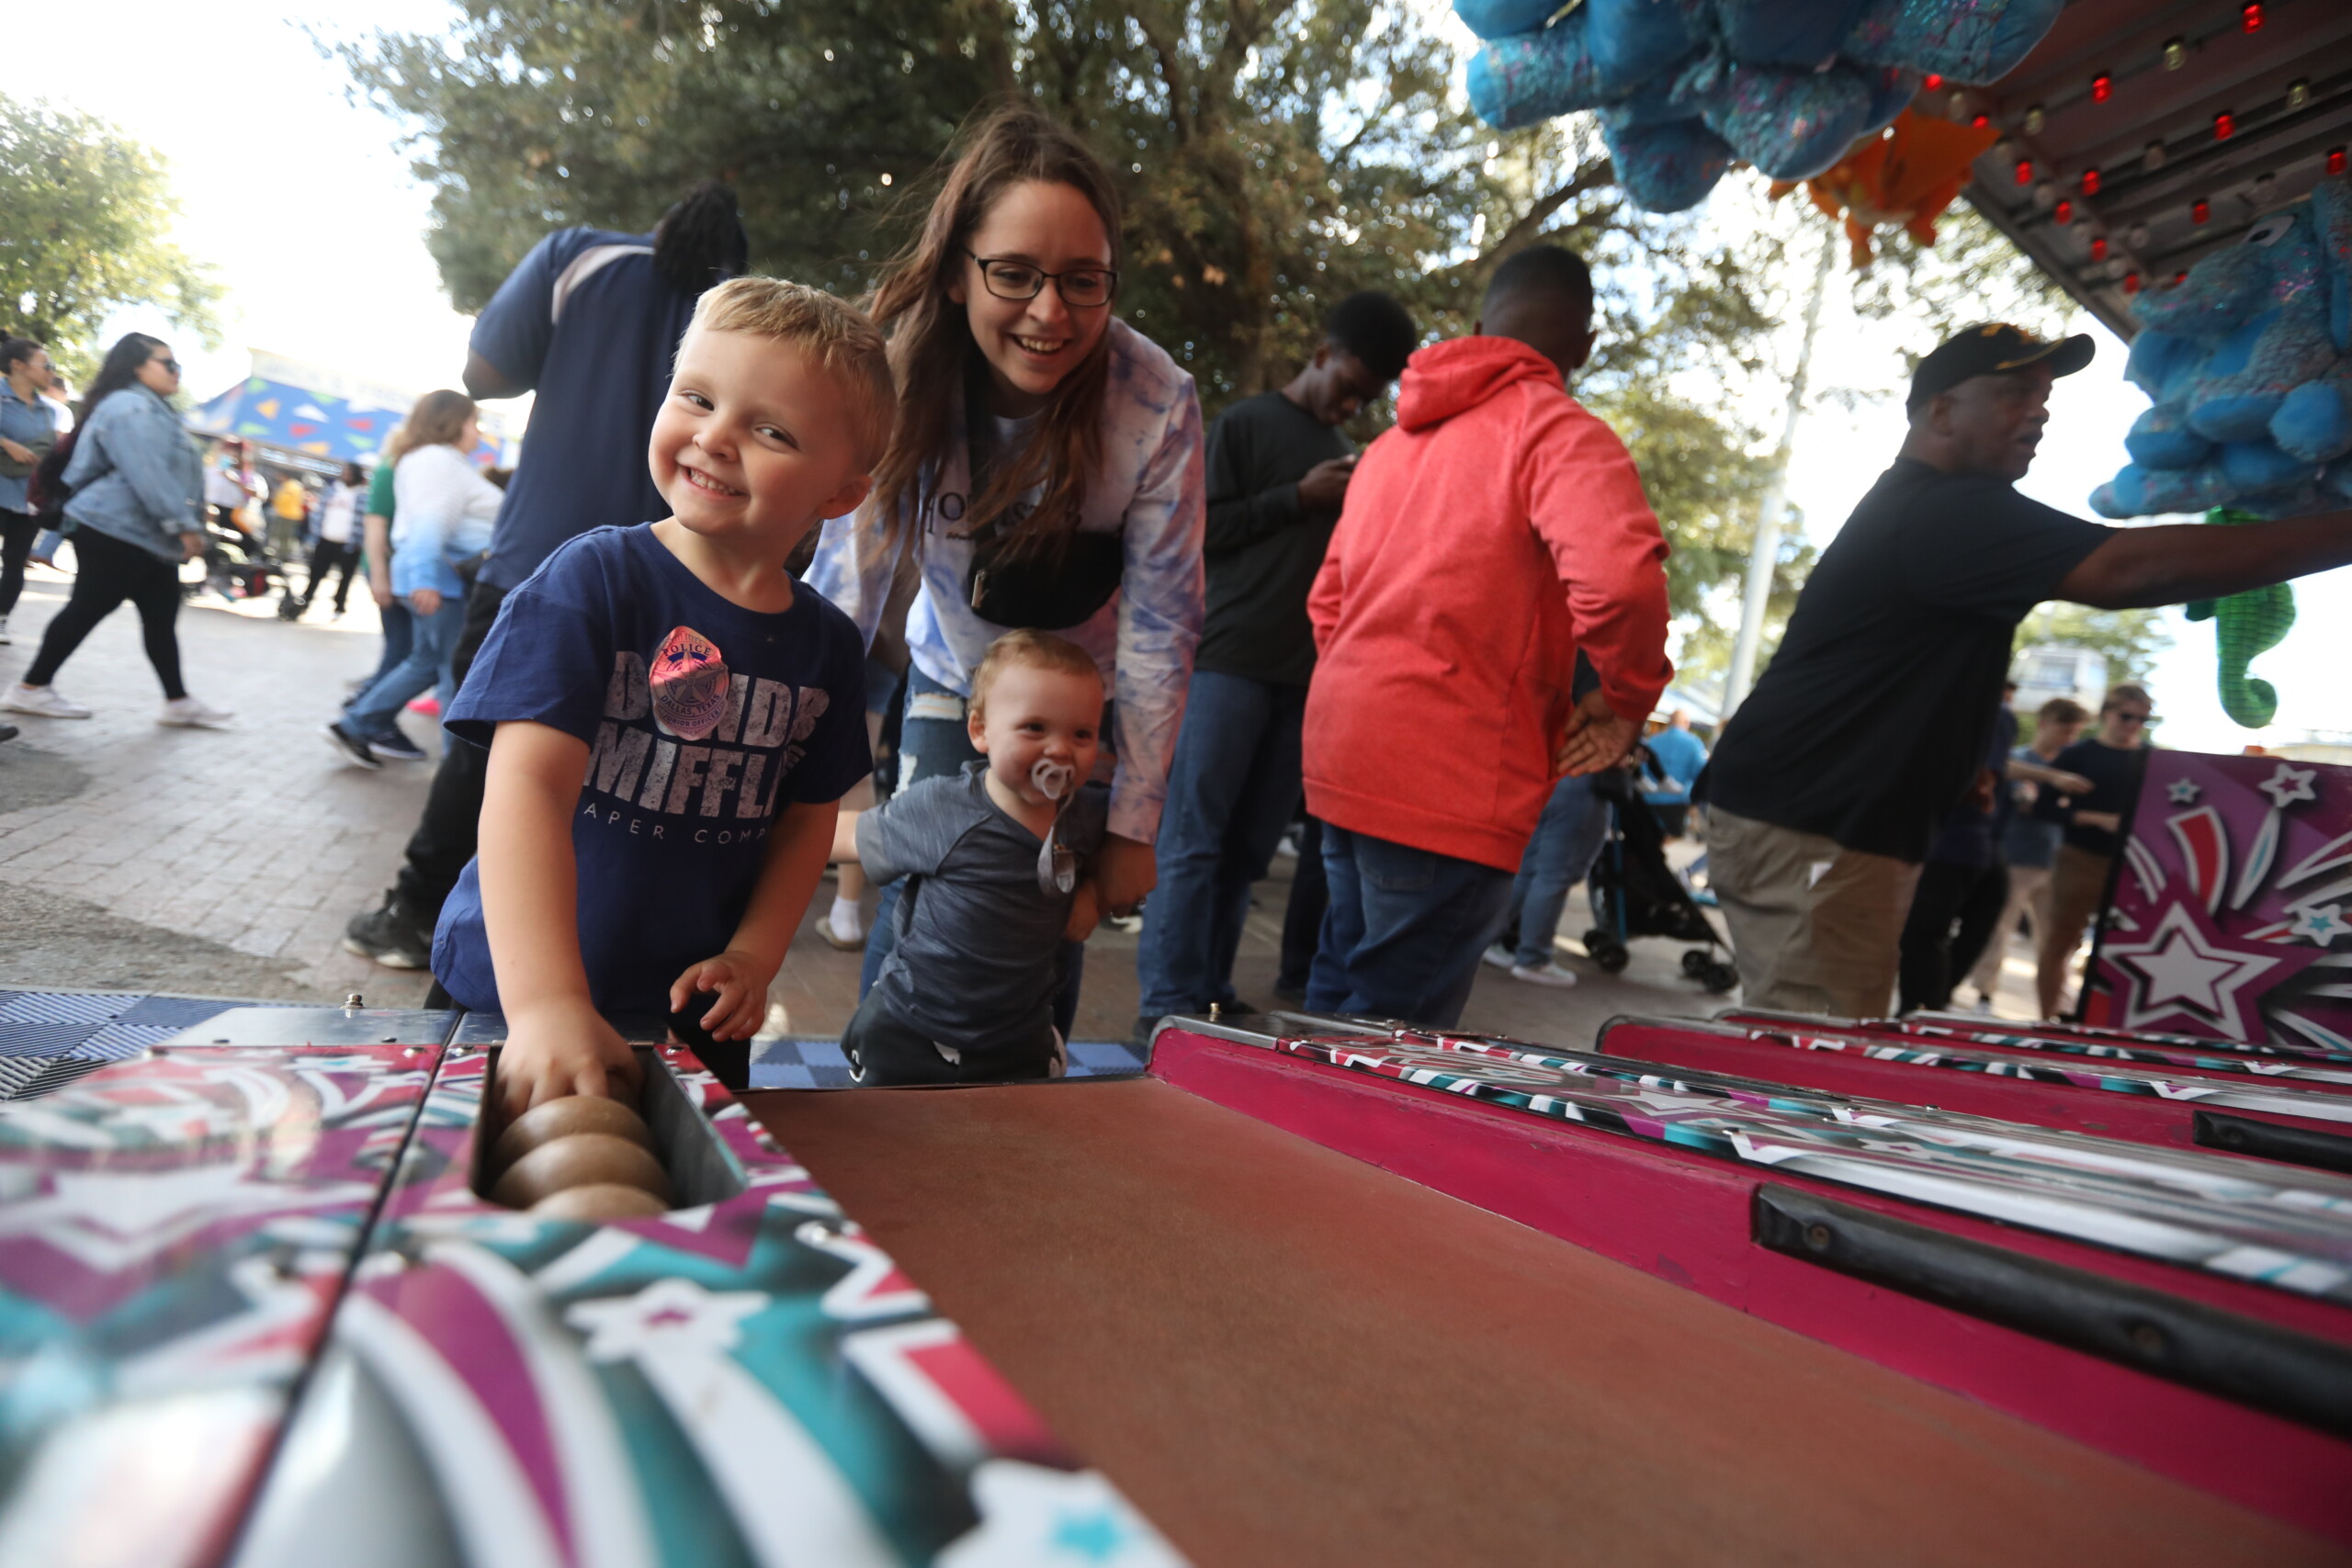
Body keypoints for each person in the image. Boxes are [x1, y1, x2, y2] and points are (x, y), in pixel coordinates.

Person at [1700, 321, 2352, 1019]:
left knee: (1814, 1025)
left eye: (2044, 397)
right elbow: (2126, 568)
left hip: (1820, 817)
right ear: (1940, 411)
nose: (2039, 410)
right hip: (1815, 824)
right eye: (2016, 392)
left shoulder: (1930, 509)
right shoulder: (1944, 510)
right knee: (1813, 1047)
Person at [434, 277, 889, 1117]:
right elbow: (525, 788)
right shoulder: (593, 581)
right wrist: (546, 1004)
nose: (715, 437)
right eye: (697, 397)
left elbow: (806, 822)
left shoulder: (826, 646)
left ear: (840, 495)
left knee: (677, 1227)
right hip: (511, 994)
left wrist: (753, 957)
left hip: (692, 1013)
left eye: (771, 429)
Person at [805, 105, 1206, 1032]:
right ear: (955, 273)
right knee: (922, 902)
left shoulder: (1153, 404)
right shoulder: (900, 381)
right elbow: (843, 599)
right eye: (1014, 274)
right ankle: (884, 1082)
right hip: (956, 678)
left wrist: (1137, 826)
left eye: (1083, 281)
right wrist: (798, 778)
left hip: (1083, 701)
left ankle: (1022, 1103)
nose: (1050, 313)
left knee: (1044, 917)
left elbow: (1162, 628)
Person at [342, 181, 751, 968]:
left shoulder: (580, 257)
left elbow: (485, 373)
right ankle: (596, 945)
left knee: (490, 752)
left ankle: (419, 913)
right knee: (648, 773)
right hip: (688, 586)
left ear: (658, 223)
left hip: (541, 559)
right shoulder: (739, 314)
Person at [1301, 245, 1674, 1028]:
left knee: (1336, 1000)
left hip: (1343, 754)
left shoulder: (1387, 449)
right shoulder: (1560, 434)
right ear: (1585, 346)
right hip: (1452, 778)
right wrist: (1624, 697)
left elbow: (1326, 604)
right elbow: (1622, 582)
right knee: (1393, 1049)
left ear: (1478, 329)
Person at [1132, 291, 1418, 1032]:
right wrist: (1294, 497)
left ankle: (1211, 990)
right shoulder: (1247, 424)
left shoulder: (1343, 456)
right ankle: (1165, 1003)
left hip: (1304, 680)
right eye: (1348, 383)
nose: (1353, 402)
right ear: (1321, 353)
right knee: (1193, 840)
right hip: (1226, 660)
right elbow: (1197, 533)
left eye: (1369, 395)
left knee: (1246, 853)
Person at [835, 630, 1109, 1082]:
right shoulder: (943, 809)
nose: (1060, 750)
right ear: (980, 730)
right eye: (1035, 728)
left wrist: (1092, 894)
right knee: (882, 1140)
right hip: (911, 1029)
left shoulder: (1086, 815)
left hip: (1018, 1038)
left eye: (1082, 734)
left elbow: (1119, 853)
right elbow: (843, 836)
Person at [2, 333, 232, 728]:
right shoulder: (130, 408)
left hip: (141, 532)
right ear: (138, 366)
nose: (177, 372)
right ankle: (30, 688)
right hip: (112, 528)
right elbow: (148, 474)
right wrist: (184, 527)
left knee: (160, 613)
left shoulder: (151, 408)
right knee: (89, 606)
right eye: (169, 364)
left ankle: (177, 701)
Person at [325, 391, 500, 765]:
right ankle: (458, 766)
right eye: (474, 422)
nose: (478, 432)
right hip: (436, 580)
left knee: (425, 661)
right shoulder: (439, 461)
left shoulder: (424, 459)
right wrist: (425, 579)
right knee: (454, 670)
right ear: (454, 422)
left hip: (427, 575)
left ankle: (357, 723)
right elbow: (430, 523)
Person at [2033, 683, 2153, 1020]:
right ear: (2106, 714)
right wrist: (2093, 818)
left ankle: (2101, 1020)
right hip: (2079, 857)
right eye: (2126, 716)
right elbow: (2043, 807)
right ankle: (2047, 1019)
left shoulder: (2148, 758)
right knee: (2062, 941)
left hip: (2133, 866)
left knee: (2124, 948)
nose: (2133, 725)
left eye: (2142, 719)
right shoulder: (2079, 754)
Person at [1965, 694, 2089, 1006]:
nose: (2069, 738)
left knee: (2057, 938)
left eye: (2074, 732)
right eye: (2065, 730)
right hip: (2017, 856)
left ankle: (2057, 1002)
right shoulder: (2019, 760)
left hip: (2056, 860)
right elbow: (2006, 780)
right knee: (1999, 929)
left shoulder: (2072, 765)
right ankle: (1984, 993)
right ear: (2045, 724)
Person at [1482, 773, 1609, 987]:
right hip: (1583, 782)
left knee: (1527, 869)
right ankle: (1533, 958)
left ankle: (1489, 940)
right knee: (1554, 876)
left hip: (1548, 780)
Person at [0, 337, 61, 647]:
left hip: (27, 498)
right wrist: (6, 442)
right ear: (18, 366)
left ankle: (1, 620)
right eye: (46, 365)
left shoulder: (47, 411)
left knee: (15, 561)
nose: (51, 371)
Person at [288, 461, 366, 620]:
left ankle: (339, 606)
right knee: (316, 573)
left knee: (345, 578)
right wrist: (315, 534)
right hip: (325, 540)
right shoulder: (332, 491)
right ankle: (305, 602)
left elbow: (365, 521)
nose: (346, 475)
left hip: (349, 544)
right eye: (344, 472)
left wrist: (359, 541)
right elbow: (318, 513)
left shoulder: (363, 495)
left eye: (350, 473)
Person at [1640, 708, 1707, 838]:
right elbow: (1699, 773)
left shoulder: (1653, 740)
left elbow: (1643, 769)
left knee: (1650, 837)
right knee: (1673, 838)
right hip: (1677, 799)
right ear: (1686, 723)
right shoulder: (1693, 743)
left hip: (1650, 797)